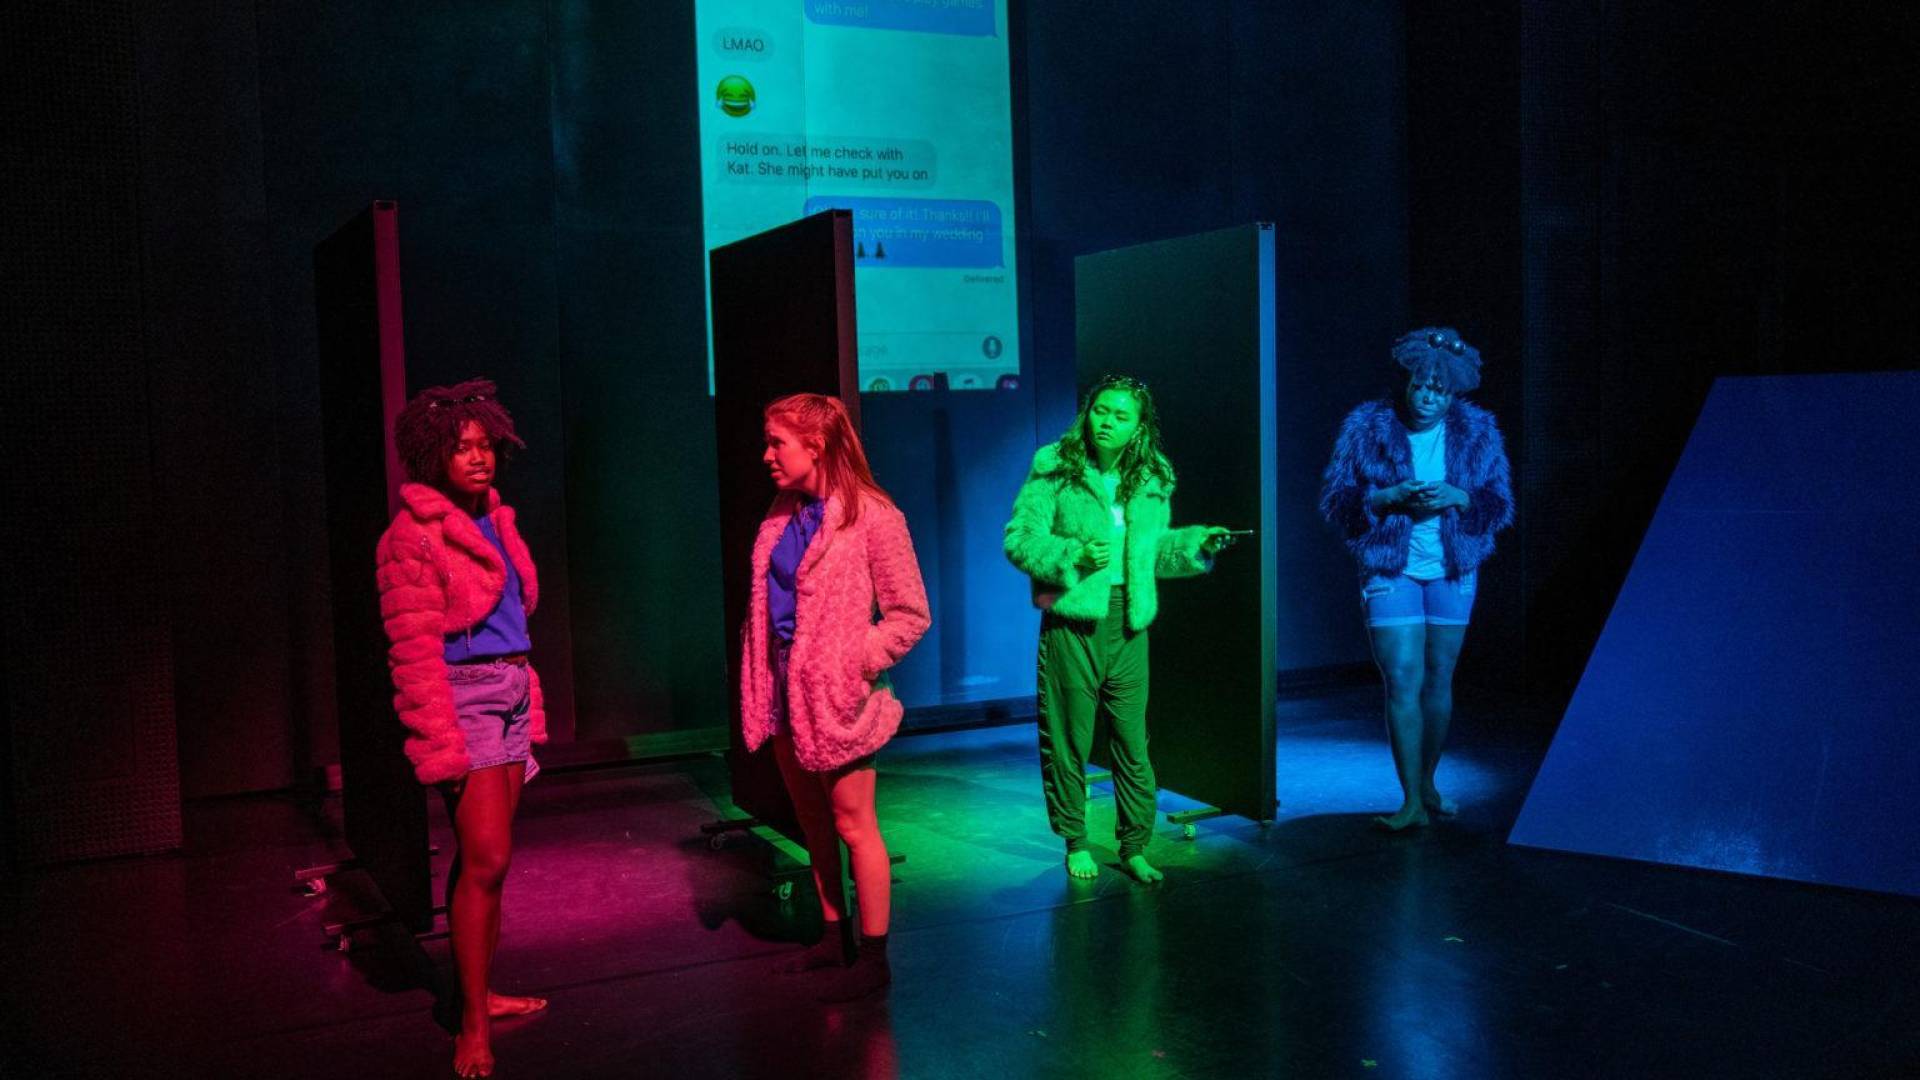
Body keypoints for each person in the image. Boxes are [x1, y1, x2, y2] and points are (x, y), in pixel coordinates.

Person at [376, 379, 549, 1077]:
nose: (479, 458)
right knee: (487, 857)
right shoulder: (411, 536)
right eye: (461, 449)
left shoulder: (498, 520)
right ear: (432, 457)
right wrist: (437, 741)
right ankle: (470, 1024)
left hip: (512, 689)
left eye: (485, 446)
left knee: (487, 862)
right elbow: (412, 649)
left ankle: (478, 993)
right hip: (465, 697)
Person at [1003, 374, 1234, 884]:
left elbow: (1151, 554)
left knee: (1132, 742)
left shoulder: (1151, 477)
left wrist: (1196, 543)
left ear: (1139, 427)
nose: (1106, 422)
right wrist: (1073, 554)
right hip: (1073, 623)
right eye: (1100, 410)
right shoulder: (1055, 466)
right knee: (1069, 737)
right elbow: (1020, 539)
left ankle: (1134, 845)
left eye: (1120, 415)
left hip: (1128, 623)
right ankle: (1076, 840)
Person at [739, 393, 930, 1002]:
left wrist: (852, 663)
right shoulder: (782, 513)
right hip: (782, 687)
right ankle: (831, 936)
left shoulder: (873, 515)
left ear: (816, 446)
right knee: (812, 822)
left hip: (836, 693)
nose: (767, 455)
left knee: (853, 823)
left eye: (777, 443)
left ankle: (874, 956)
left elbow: (909, 613)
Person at [1319, 329, 1514, 831]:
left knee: (1440, 675)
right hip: (1391, 564)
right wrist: (1387, 498)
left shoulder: (1478, 433)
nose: (1428, 397)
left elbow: (1498, 504)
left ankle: (1428, 783)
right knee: (1402, 677)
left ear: (1453, 394)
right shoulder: (1368, 427)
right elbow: (1337, 501)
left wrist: (1458, 497)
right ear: (1407, 382)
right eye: (1421, 386)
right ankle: (1410, 801)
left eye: (1440, 390)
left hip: (1453, 565)